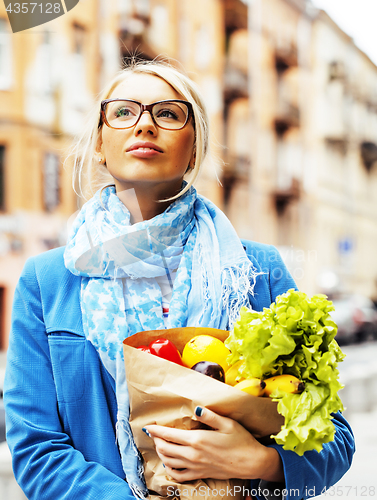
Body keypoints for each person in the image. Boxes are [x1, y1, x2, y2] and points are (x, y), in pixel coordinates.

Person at [4, 60, 354, 500]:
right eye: (124, 112)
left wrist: (260, 462)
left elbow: (335, 440)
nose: (145, 125)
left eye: (168, 113)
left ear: (194, 150)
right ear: (99, 143)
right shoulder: (49, 279)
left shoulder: (257, 272)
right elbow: (37, 449)